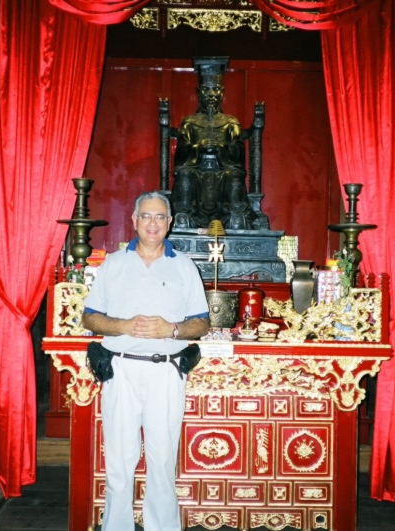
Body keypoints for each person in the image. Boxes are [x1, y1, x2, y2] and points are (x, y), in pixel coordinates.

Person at [82, 191, 210, 531]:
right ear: (135, 221)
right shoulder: (113, 263)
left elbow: (202, 323)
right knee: (120, 461)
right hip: (120, 369)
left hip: (165, 372)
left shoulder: (183, 266)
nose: (153, 223)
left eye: (160, 217)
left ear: (169, 224)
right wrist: (121, 325)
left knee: (162, 456)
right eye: (146, 216)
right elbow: (90, 317)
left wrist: (173, 328)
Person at [171, 58, 257, 230]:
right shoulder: (190, 122)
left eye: (215, 90)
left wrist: (222, 147)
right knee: (185, 173)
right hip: (196, 167)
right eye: (206, 90)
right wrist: (198, 147)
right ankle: (183, 214)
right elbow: (181, 153)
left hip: (223, 168)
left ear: (221, 93)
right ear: (199, 93)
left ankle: (235, 214)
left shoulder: (230, 121)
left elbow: (238, 151)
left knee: (233, 175)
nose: (211, 95)